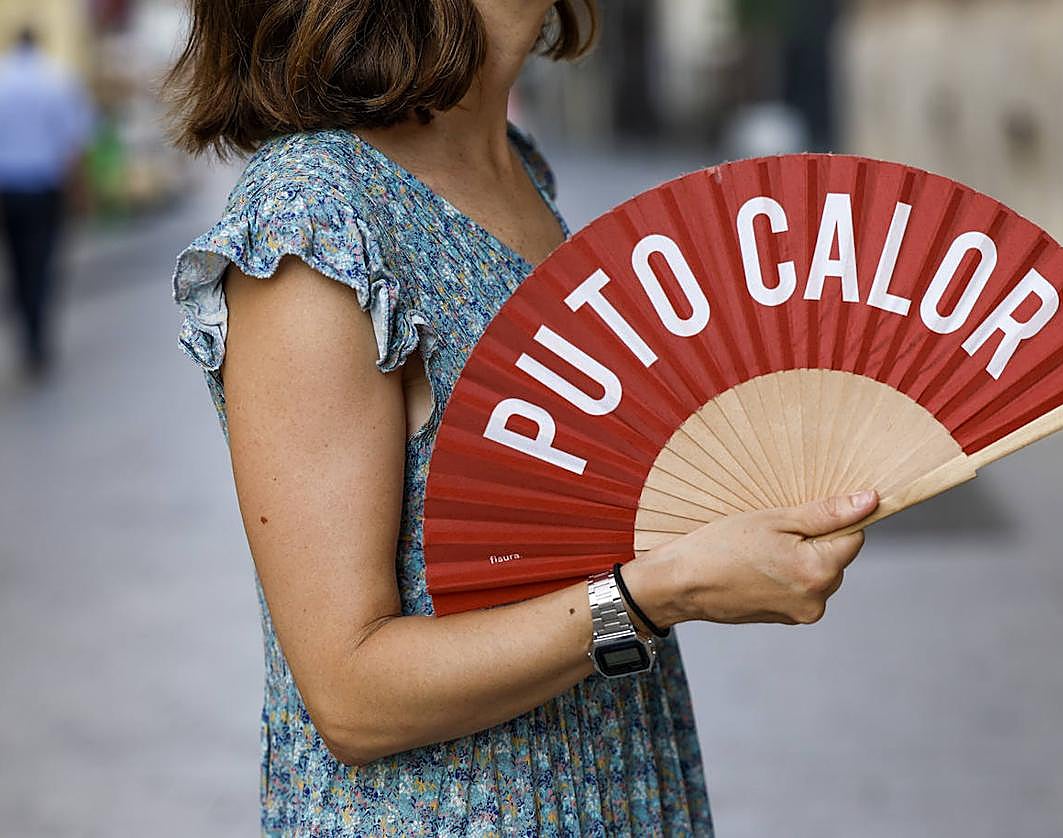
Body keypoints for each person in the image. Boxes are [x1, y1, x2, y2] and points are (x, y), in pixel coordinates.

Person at [167, 2, 878, 834]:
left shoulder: (514, 165)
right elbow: (351, 695)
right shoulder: (316, 217)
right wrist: (663, 590)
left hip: (615, 779)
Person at [0, 26, 92, 378]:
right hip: (44, 188)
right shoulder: (56, 80)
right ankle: (38, 336)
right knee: (41, 262)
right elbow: (74, 142)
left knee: (17, 262)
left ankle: (27, 332)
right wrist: (81, 192)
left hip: (7, 191)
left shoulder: (2, 81)